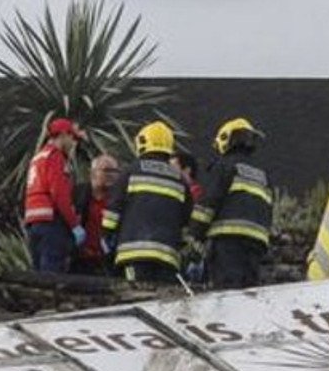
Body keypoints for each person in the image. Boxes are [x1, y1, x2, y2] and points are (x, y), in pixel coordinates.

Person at [103, 121, 192, 285]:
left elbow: (113, 210)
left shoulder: (131, 171)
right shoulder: (180, 179)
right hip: (167, 257)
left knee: (137, 295)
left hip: (133, 253)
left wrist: (106, 236)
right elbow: (187, 220)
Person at [192, 118, 273, 290]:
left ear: (226, 139)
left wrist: (195, 233)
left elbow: (208, 204)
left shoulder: (223, 166)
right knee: (248, 293)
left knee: (227, 293)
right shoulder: (263, 174)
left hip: (228, 242)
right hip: (256, 244)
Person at [23, 117, 84, 272]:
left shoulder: (38, 157)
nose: (73, 144)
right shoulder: (55, 157)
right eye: (72, 137)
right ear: (63, 135)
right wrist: (74, 225)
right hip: (51, 224)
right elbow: (59, 195)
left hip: (33, 224)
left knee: (38, 275)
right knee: (52, 276)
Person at [71, 153, 120, 275]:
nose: (111, 175)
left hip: (108, 263)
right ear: (92, 173)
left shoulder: (119, 201)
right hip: (79, 261)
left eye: (115, 171)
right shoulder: (76, 195)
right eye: (107, 170)